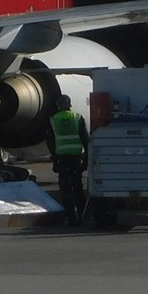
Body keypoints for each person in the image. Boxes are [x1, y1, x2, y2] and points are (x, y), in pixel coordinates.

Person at [49, 94, 89, 222]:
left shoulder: (53, 119)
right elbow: (85, 139)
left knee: (66, 189)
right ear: (70, 104)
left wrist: (54, 160)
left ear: (58, 105)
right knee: (78, 187)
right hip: (76, 157)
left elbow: (50, 142)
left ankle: (71, 218)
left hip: (62, 158)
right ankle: (83, 216)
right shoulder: (77, 117)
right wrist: (86, 158)